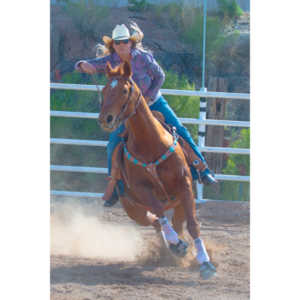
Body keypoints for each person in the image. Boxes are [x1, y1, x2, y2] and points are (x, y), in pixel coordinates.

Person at [75, 22, 217, 207]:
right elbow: (91, 65)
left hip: (153, 102)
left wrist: (149, 96)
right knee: (113, 143)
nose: (121, 45)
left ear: (131, 43)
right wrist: (81, 64)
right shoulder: (111, 59)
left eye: (125, 41)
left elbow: (160, 76)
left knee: (180, 129)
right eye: (117, 43)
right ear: (114, 45)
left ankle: (202, 169)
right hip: (128, 110)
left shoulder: (143, 58)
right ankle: (115, 187)